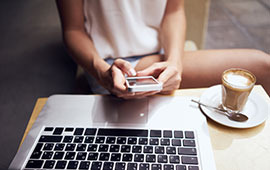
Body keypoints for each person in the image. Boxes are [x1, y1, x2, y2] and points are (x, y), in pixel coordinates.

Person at [56, 0, 270, 99]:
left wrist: (175, 63)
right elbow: (73, 30)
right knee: (261, 68)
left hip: (158, 57)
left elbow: (174, 11)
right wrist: (102, 72)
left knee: (264, 66)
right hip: (110, 64)